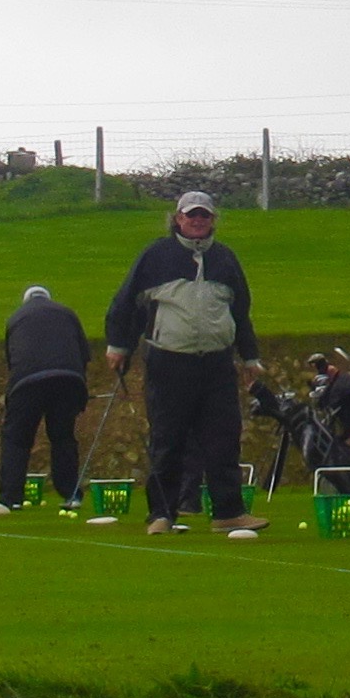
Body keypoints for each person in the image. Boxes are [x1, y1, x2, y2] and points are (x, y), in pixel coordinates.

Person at [106, 190, 266, 535]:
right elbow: (125, 304)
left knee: (224, 438)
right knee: (168, 439)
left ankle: (228, 512)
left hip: (217, 363)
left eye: (204, 216)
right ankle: (162, 514)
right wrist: (119, 347)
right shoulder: (156, 256)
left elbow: (241, 312)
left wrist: (250, 355)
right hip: (169, 362)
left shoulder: (225, 259)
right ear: (177, 218)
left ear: (213, 221)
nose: (197, 221)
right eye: (190, 215)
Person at [0, 284, 90, 511]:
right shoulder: (66, 312)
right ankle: (71, 494)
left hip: (26, 382)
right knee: (63, 436)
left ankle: (10, 498)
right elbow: (83, 354)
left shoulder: (16, 317)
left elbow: (12, 360)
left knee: (17, 438)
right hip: (68, 379)